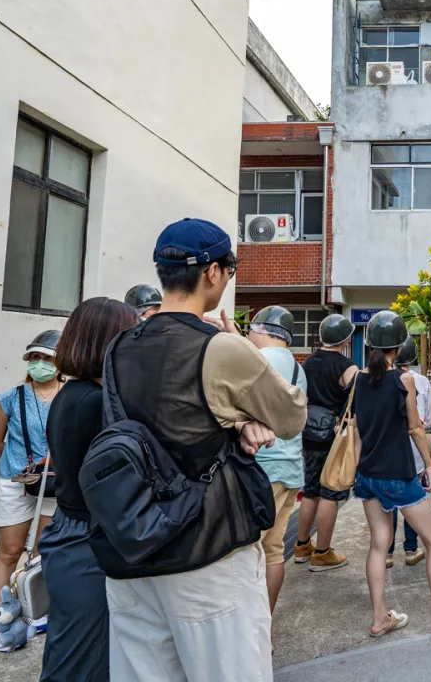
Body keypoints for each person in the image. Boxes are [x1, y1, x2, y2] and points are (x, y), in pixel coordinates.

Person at [102, 218, 307, 681]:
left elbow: (160, 427)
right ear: (212, 272)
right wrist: (241, 349)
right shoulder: (220, 348)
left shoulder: (118, 347)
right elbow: (292, 415)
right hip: (207, 549)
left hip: (133, 544)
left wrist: (233, 425)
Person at [352, 311, 431, 645]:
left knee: (379, 544)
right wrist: (428, 464)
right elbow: (414, 427)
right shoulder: (404, 380)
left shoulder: (358, 379)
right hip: (397, 475)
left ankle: (379, 618)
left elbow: (359, 430)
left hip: (366, 475)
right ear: (398, 346)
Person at [40, 297, 138, 680]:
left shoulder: (71, 394)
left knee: (76, 650)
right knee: (82, 660)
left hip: (69, 531)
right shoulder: (96, 403)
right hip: (88, 543)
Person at [0, 329, 62, 649]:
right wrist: (23, 468)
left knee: (44, 553)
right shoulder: (10, 398)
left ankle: (35, 610)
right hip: (17, 482)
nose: (39, 363)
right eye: (34, 357)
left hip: (56, 483)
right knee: (9, 552)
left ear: (60, 363)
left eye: (47, 358)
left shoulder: (71, 395)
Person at [246, 305, 308, 611]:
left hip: (262, 468)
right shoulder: (299, 368)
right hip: (291, 468)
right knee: (273, 550)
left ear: (261, 330)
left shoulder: (256, 361)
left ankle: (248, 631)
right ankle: (265, 624)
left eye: (250, 331)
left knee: (247, 551)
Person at [294, 313, 358, 571]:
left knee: (310, 492)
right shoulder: (346, 366)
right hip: (333, 436)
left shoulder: (307, 362)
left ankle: (301, 547)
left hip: (309, 433)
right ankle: (322, 552)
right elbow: (358, 395)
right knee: (330, 493)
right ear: (345, 339)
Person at [390, 336, 427, 568]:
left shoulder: (378, 379)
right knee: (412, 499)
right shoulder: (421, 382)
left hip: (389, 451)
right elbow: (427, 420)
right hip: (414, 451)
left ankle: (387, 552)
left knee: (389, 504)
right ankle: (411, 549)